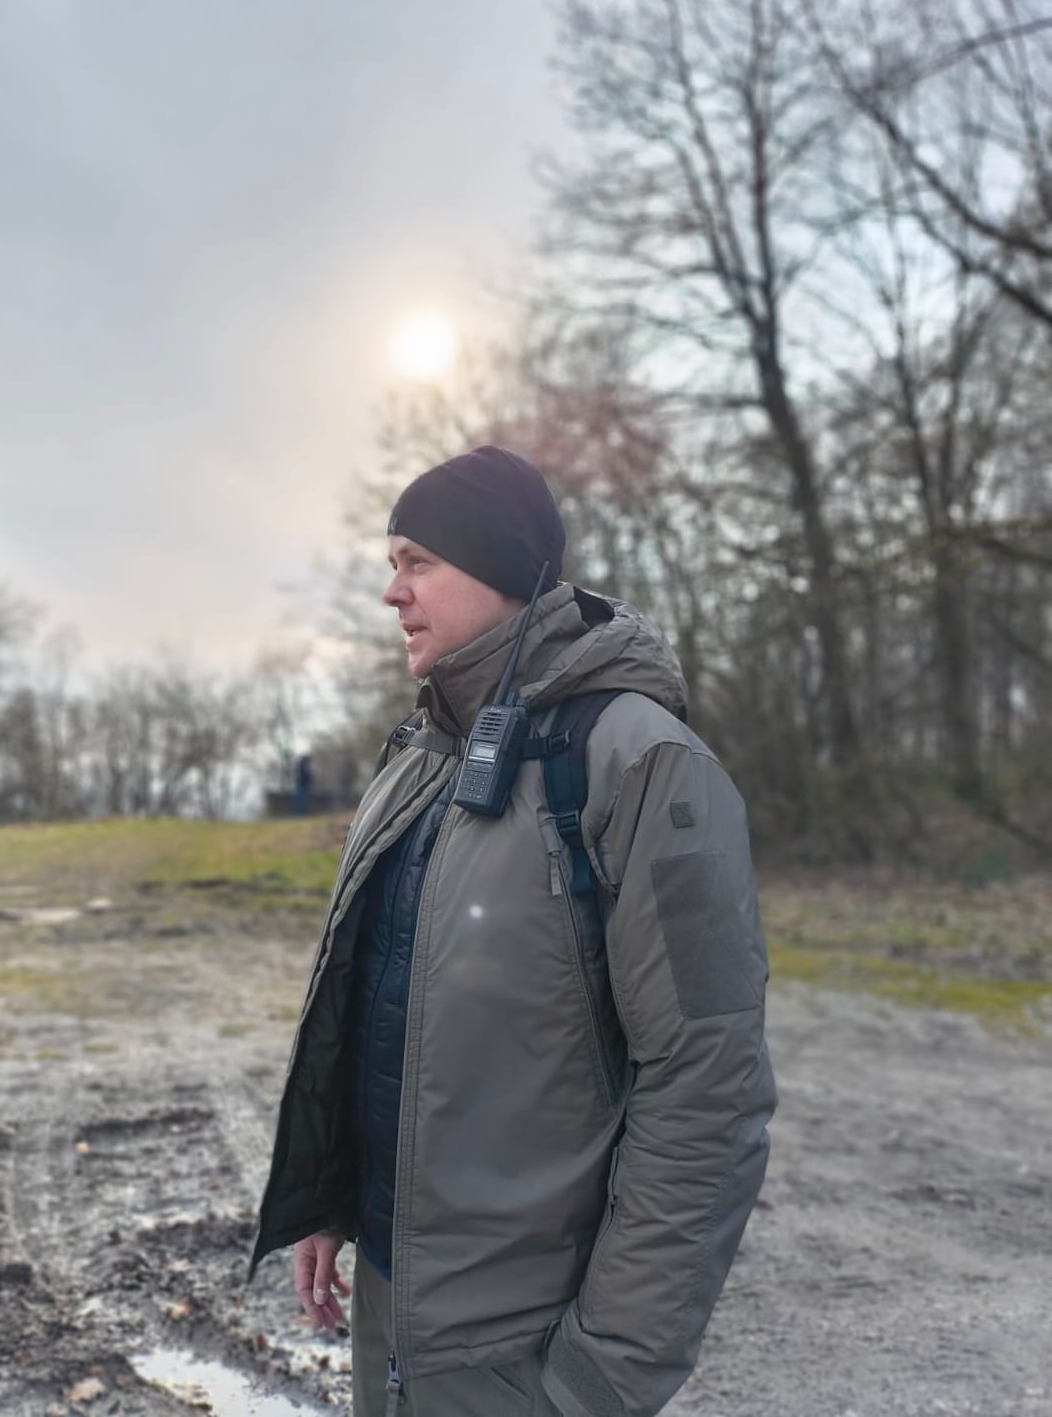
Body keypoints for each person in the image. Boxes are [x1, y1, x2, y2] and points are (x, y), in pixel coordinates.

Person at [249, 446, 776, 1417]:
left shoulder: (640, 764)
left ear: (496, 567)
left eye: (417, 561)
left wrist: (600, 1376)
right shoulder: (415, 759)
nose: (391, 592)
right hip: (393, 1321)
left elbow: (708, 1087)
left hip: (525, 1352)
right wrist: (329, 1197)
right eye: (392, 563)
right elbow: (376, 1006)